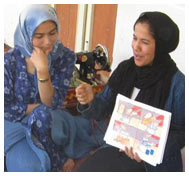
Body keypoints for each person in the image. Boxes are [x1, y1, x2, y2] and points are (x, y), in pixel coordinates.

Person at [75, 11, 185, 172]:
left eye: (145, 42)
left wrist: (147, 147)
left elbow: (182, 133)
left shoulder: (177, 84)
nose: (136, 47)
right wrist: (90, 100)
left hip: (150, 163)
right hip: (115, 148)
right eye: (134, 38)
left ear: (160, 46)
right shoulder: (125, 70)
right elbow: (104, 106)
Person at [4, 4, 107, 172]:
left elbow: (52, 103)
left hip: (50, 119)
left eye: (52, 33)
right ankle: (55, 155)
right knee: (29, 167)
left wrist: (43, 71)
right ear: (26, 34)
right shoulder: (9, 61)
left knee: (48, 119)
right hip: (15, 124)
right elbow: (6, 108)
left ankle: (54, 152)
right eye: (39, 36)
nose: (47, 42)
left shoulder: (64, 56)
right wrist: (35, 109)